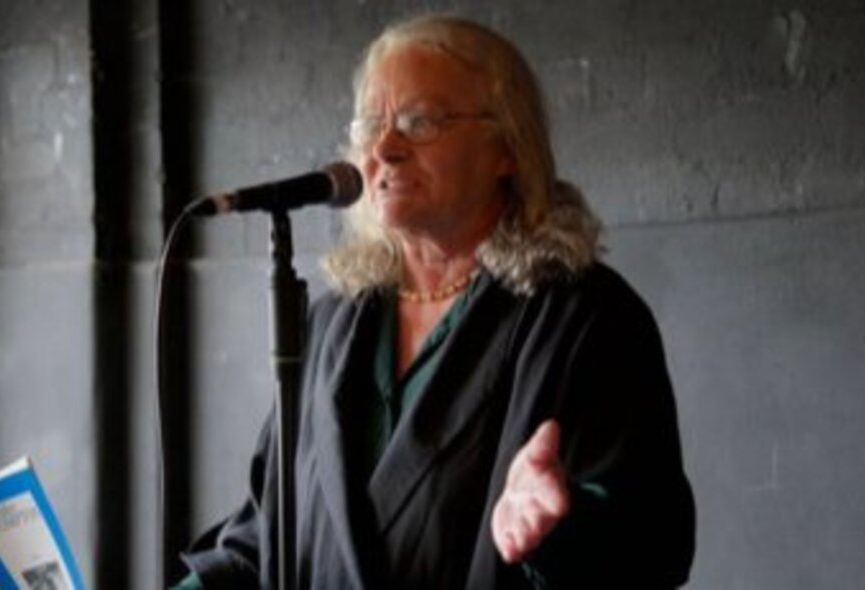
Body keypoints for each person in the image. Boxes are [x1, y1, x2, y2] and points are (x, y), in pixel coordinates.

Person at [176, 14, 695, 589]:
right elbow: (262, 539)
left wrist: (557, 532)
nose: (385, 147)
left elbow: (654, 546)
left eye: (419, 122)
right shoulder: (330, 324)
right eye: (371, 123)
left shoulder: (587, 319)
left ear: (507, 147)